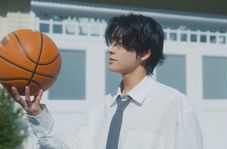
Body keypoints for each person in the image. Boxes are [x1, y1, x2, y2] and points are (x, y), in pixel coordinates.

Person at [11, 14, 203, 149]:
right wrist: (37, 114)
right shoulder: (100, 109)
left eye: (119, 44)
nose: (110, 49)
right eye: (111, 43)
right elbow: (66, 146)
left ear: (145, 53)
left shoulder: (174, 105)